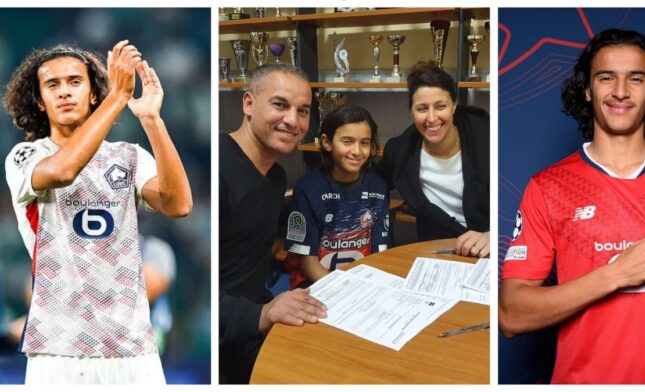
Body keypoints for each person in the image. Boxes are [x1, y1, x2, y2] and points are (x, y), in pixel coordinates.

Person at [499, 29, 645, 383]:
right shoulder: (548, 187)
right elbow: (512, 315)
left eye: (635, 79)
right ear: (588, 89)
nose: (620, 91)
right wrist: (616, 274)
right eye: (607, 78)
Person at [3, 41, 192, 384]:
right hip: (57, 348)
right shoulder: (25, 157)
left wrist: (151, 119)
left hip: (132, 347)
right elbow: (62, 172)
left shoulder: (130, 157)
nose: (64, 92)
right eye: (52, 85)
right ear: (40, 101)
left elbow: (178, 204)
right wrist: (117, 98)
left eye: (75, 82)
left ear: (92, 94)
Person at [218, 63, 327, 384]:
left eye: (303, 111)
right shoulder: (215, 171)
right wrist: (262, 314)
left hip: (256, 315)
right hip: (221, 336)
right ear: (248, 104)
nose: (293, 121)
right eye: (280, 105)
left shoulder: (277, 176)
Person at [375, 60, 489, 257]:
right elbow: (372, 185)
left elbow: (516, 200)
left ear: (454, 106)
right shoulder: (400, 150)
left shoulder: (486, 136)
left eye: (440, 106)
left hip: (489, 251)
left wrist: (492, 235)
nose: (432, 118)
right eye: (422, 109)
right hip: (437, 253)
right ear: (411, 110)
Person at [283, 105, 390, 289]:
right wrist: (343, 288)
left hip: (363, 284)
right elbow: (307, 263)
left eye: (364, 142)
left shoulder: (378, 187)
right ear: (326, 142)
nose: (357, 151)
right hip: (315, 282)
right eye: (347, 141)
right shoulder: (307, 188)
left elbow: (379, 255)